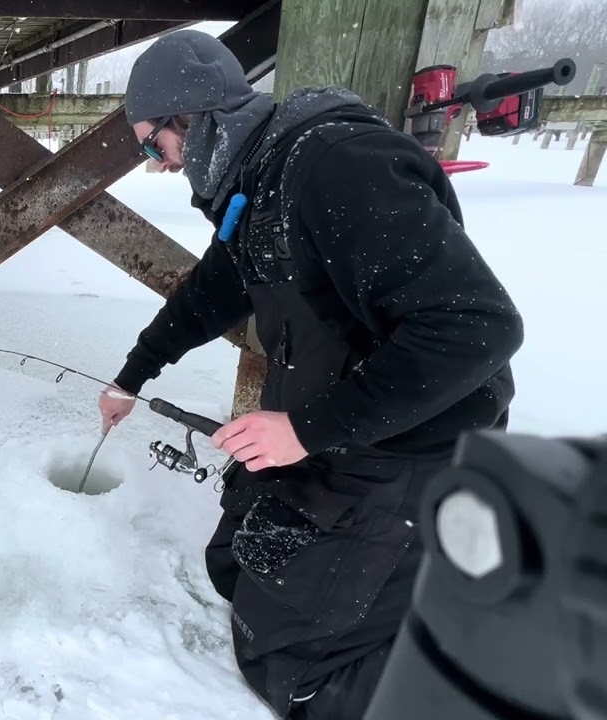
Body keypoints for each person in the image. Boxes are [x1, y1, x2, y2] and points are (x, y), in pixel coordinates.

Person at [96, 29, 524, 720]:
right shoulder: (259, 187)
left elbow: (480, 327)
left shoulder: (338, 167)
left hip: (418, 446)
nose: (158, 164)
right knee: (234, 562)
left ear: (193, 116)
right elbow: (209, 294)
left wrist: (304, 430)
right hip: (342, 431)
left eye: (153, 144)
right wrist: (132, 376)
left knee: (293, 674)